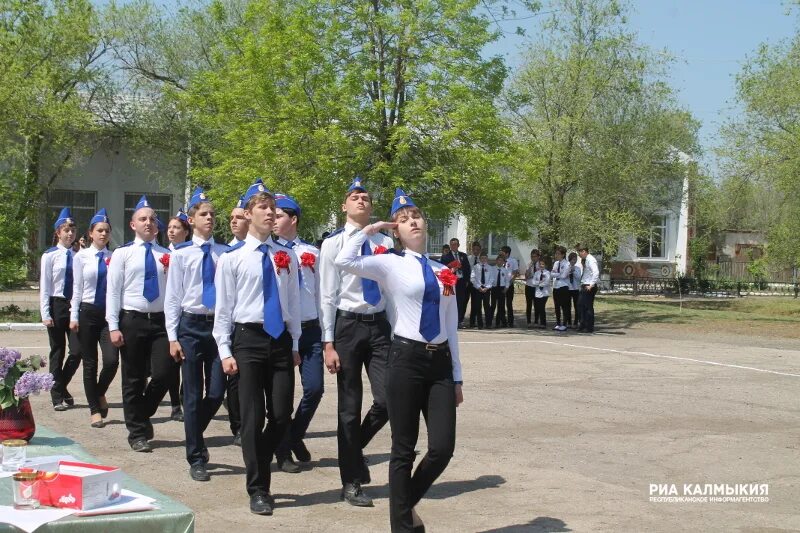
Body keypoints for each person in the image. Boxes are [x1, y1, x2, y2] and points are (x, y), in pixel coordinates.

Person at [334, 188, 464, 533]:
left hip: (439, 365)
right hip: (405, 360)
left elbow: (451, 325)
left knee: (442, 448)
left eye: (417, 217)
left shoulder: (442, 271)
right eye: (404, 220)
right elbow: (343, 261)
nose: (413, 222)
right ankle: (402, 526)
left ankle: (405, 505)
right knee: (403, 450)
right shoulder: (389, 263)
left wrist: (457, 376)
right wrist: (369, 229)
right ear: (397, 231)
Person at [213, 179, 301, 516]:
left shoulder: (285, 256)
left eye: (274, 209)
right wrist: (224, 350)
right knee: (251, 419)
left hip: (279, 341)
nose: (271, 213)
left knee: (281, 416)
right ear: (249, 214)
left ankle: (259, 458)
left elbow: (291, 301)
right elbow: (224, 308)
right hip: (247, 340)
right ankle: (259, 488)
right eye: (263, 208)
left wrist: (293, 342)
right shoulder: (233, 259)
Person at [319, 177, 393, 507]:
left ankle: (354, 451)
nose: (361, 200)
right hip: (347, 326)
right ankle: (350, 480)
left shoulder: (385, 243)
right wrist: (328, 342)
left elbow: (391, 290)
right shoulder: (333, 243)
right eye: (354, 196)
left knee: (388, 400)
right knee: (349, 409)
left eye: (365, 196)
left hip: (378, 327)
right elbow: (326, 295)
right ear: (344, 206)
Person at [165, 187, 228, 482]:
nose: (210, 218)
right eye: (204, 214)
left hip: (217, 327)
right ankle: (197, 456)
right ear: (191, 219)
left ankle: (194, 433)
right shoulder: (182, 255)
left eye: (213, 214)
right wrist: (172, 337)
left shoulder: (225, 253)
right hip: (190, 327)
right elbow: (173, 298)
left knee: (216, 391)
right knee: (192, 394)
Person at [107, 195, 178, 452]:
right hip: (133, 320)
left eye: (152, 219)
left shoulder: (167, 255)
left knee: (164, 373)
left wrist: (173, 328)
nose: (148, 222)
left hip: (160, 321)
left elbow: (173, 293)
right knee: (133, 378)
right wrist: (113, 326)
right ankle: (137, 433)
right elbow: (113, 292)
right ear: (132, 224)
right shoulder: (123, 254)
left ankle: (142, 413)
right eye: (142, 219)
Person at [272, 193, 324, 474]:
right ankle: (284, 451)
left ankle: (294, 435)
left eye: (279, 215)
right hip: (282, 331)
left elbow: (321, 294)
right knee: (283, 396)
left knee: (315, 389)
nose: (274, 219)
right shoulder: (270, 252)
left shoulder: (312, 253)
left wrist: (327, 334)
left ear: (293, 219)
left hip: (311, 329)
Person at [69, 208, 118, 428]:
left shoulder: (114, 257)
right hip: (87, 312)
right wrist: (74, 315)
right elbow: (76, 289)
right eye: (99, 230)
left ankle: (99, 393)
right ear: (91, 233)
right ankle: (94, 410)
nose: (103, 234)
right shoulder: (81, 257)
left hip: (108, 315)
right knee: (90, 364)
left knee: (111, 361)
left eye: (106, 231)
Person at [40, 208, 82, 411]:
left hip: (74, 305)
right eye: (66, 230)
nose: (70, 234)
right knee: (58, 351)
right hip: (56, 304)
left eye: (72, 230)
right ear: (58, 232)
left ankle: (61, 385)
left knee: (77, 350)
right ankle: (57, 397)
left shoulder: (79, 255)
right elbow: (45, 286)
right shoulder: (49, 256)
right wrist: (45, 313)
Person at [164, 209, 190, 423]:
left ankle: (184, 398)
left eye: (176, 228)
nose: (171, 231)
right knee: (171, 364)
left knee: (186, 361)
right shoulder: (163, 253)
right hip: (166, 314)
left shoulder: (188, 253)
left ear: (186, 232)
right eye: (170, 227)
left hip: (186, 314)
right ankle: (174, 404)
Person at [226, 195, 248, 446]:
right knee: (235, 381)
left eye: (238, 217)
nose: (233, 222)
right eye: (231, 218)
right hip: (233, 325)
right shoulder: (228, 253)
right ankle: (238, 425)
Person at [440, 238, 471, 328]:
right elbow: (443, 269)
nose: (453, 246)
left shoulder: (463, 256)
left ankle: (459, 320)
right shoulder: (445, 257)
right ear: (450, 246)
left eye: (455, 244)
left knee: (461, 301)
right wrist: (452, 269)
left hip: (461, 281)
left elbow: (467, 269)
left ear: (458, 245)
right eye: (452, 244)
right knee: (451, 302)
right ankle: (450, 321)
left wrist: (467, 280)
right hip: (451, 282)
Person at [578, 245, 599, 333]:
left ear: (584, 251)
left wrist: (591, 284)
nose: (579, 254)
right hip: (584, 284)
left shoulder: (591, 259)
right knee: (580, 305)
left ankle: (589, 326)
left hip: (589, 285)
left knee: (588, 307)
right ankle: (583, 324)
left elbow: (596, 272)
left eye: (580, 252)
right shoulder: (586, 260)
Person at [469, 252, 494, 329]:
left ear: (487, 259)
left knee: (487, 307)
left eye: (485, 258)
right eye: (482, 258)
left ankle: (488, 324)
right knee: (478, 307)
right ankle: (480, 324)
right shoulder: (476, 267)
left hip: (486, 289)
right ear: (479, 259)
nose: (483, 259)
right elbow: (472, 278)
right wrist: (479, 287)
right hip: (478, 289)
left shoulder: (490, 268)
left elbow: (492, 279)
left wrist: (487, 287)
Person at [551, 246, 571, 332]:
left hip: (564, 287)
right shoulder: (556, 263)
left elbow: (564, 276)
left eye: (558, 254)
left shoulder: (567, 264)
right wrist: (558, 274)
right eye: (556, 253)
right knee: (557, 306)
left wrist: (557, 274)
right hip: (556, 286)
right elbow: (552, 274)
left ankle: (564, 324)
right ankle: (558, 323)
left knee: (564, 306)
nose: (556, 255)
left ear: (563, 255)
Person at [500, 246, 519, 327]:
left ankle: (510, 321)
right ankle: (502, 321)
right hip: (501, 284)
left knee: (509, 303)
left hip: (509, 285)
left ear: (507, 253)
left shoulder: (513, 261)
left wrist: (509, 284)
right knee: (501, 303)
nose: (500, 253)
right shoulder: (500, 260)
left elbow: (514, 273)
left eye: (502, 252)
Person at [489, 254, 510, 328]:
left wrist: (506, 288)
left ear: (504, 262)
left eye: (502, 261)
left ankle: (499, 322)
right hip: (494, 288)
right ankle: (489, 322)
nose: (500, 262)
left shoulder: (505, 270)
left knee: (501, 306)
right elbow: (490, 278)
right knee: (493, 306)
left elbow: (507, 280)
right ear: (496, 261)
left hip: (502, 288)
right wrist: (490, 286)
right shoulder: (492, 268)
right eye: (499, 260)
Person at [524, 249, 541, 328]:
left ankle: (536, 321)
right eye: (532, 257)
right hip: (529, 285)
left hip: (536, 286)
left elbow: (541, 276)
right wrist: (529, 270)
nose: (533, 258)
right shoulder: (529, 264)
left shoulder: (540, 265)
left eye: (534, 257)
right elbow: (526, 276)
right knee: (529, 304)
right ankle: (528, 321)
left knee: (537, 304)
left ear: (538, 257)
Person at [532, 258, 551, 328]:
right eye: (540, 264)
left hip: (544, 293)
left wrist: (538, 283)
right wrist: (539, 282)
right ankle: (536, 321)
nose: (541, 265)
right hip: (537, 293)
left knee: (542, 307)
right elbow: (533, 282)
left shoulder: (548, 273)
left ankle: (543, 323)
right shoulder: (537, 273)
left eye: (543, 264)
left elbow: (546, 282)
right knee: (537, 308)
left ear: (545, 265)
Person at [567, 252, 582, 328]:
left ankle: (576, 322)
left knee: (577, 306)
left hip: (576, 289)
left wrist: (574, 272)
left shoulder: (577, 268)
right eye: (572, 259)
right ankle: (569, 322)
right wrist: (569, 271)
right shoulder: (566, 267)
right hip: (568, 289)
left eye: (575, 259)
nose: (574, 261)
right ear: (569, 259)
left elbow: (579, 278)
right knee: (568, 306)